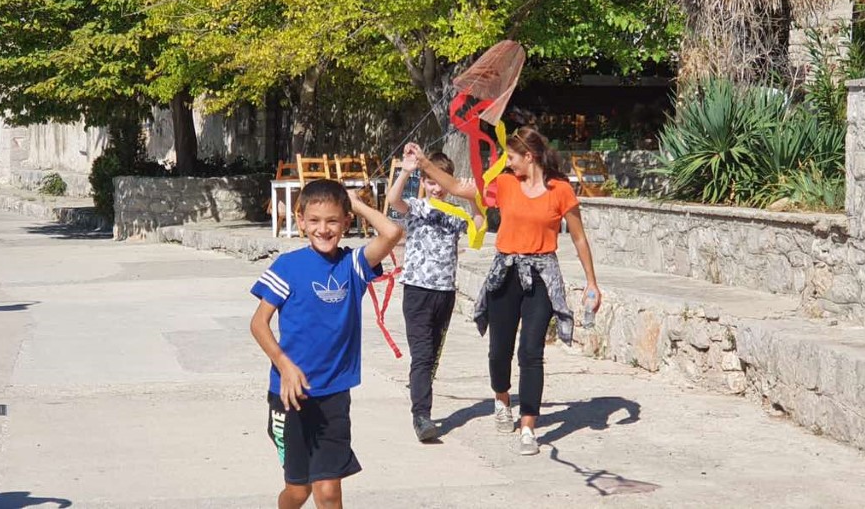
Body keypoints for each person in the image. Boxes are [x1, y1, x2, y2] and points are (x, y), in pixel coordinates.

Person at [405, 127, 603, 457]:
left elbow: (579, 237)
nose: (507, 163)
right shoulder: (504, 183)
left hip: (541, 274)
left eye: (511, 157)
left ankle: (528, 427)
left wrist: (591, 283)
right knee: (499, 351)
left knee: (531, 351)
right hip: (505, 273)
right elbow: (457, 187)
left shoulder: (561, 190)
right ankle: (501, 398)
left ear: (530, 156)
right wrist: (424, 163)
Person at [250, 179, 404, 509]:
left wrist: (355, 203)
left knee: (329, 491)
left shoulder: (353, 266)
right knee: (298, 491)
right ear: (301, 221)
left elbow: (391, 232)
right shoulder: (287, 267)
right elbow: (258, 324)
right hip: (290, 395)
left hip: (334, 394)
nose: (323, 229)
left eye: (333, 220)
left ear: (346, 222)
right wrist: (284, 365)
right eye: (315, 220)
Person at [384, 151, 469, 442]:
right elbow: (393, 200)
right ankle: (421, 416)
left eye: (442, 182)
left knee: (431, 356)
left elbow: (479, 227)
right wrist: (406, 171)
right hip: (417, 292)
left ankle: (420, 397)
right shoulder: (417, 207)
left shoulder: (456, 212)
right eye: (431, 182)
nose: (437, 188)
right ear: (424, 182)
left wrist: (472, 197)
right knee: (421, 355)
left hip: (445, 292)